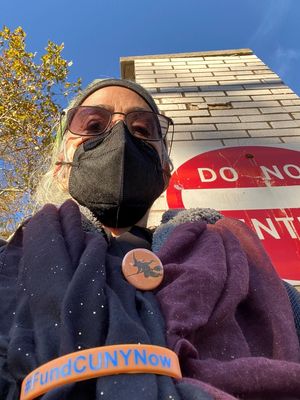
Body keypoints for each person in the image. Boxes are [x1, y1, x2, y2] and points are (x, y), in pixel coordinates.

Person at [1, 78, 300, 400]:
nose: (121, 135)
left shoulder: (245, 269)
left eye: (142, 129)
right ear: (61, 166)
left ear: (165, 171)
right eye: (94, 124)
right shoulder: (8, 261)